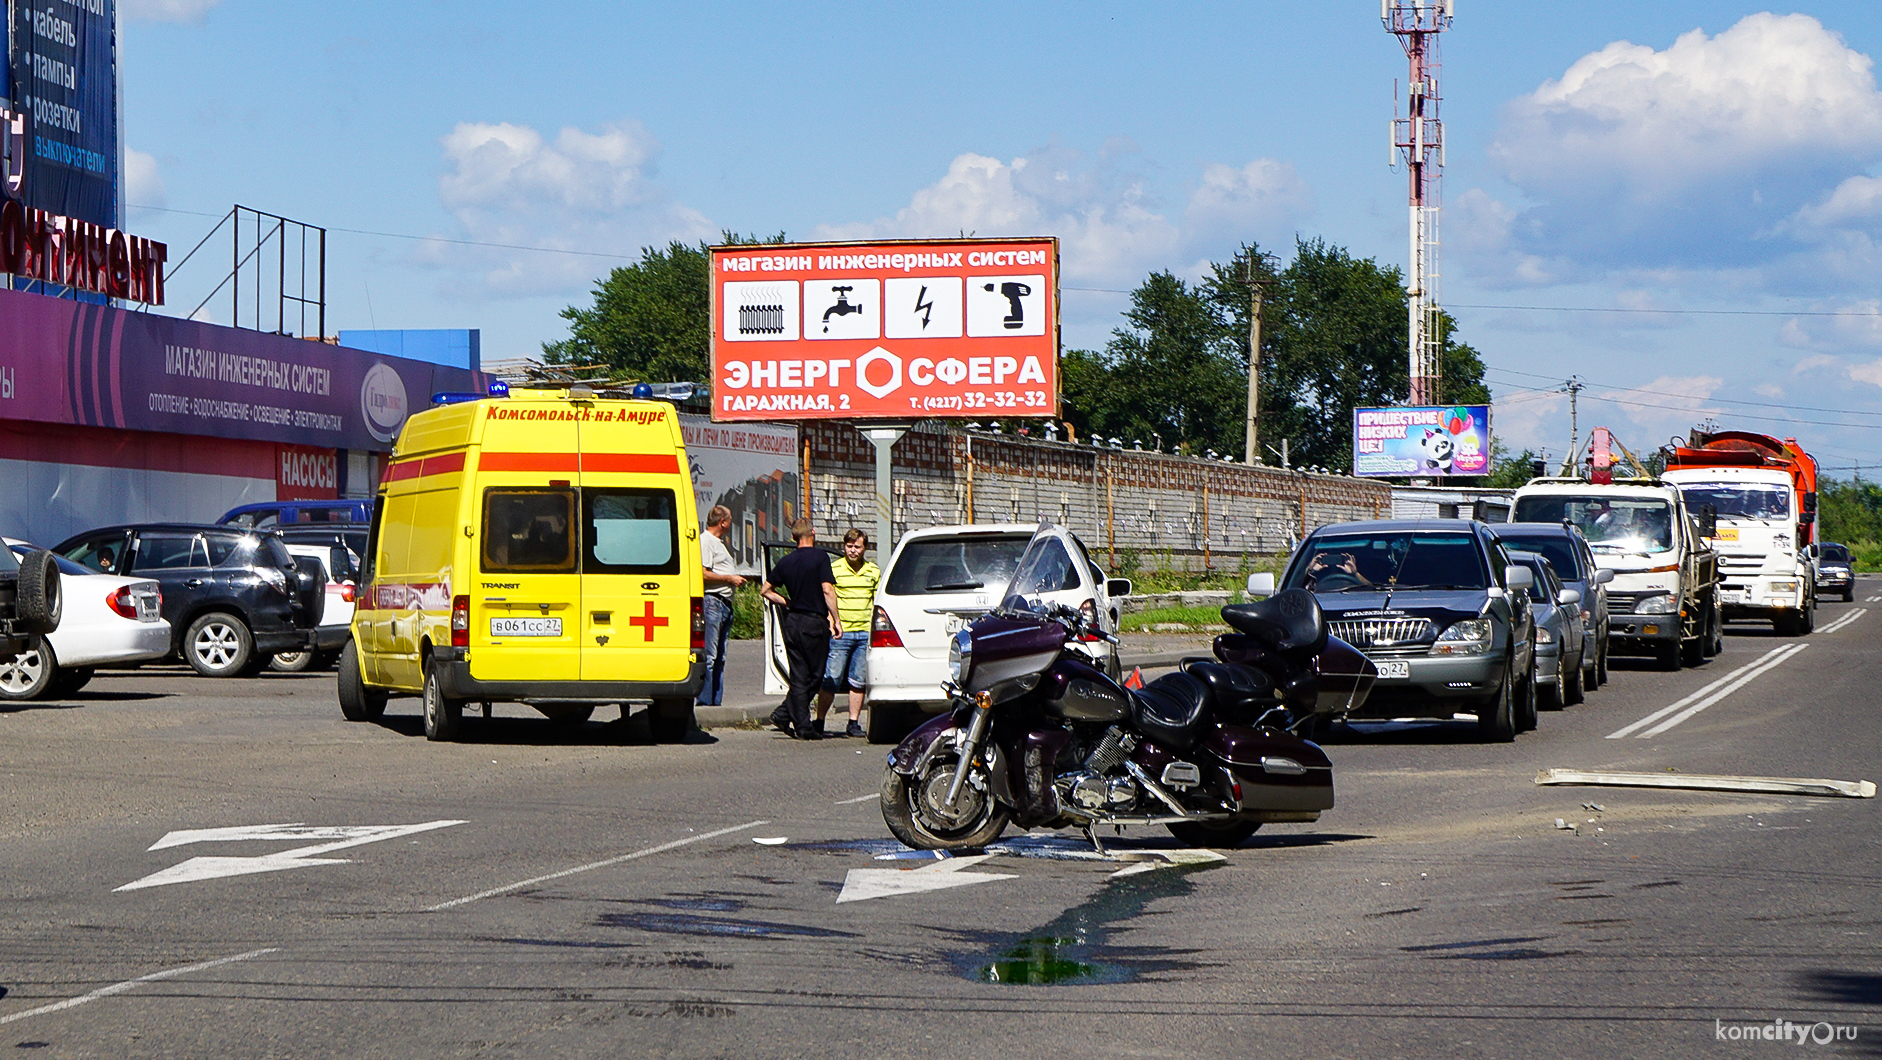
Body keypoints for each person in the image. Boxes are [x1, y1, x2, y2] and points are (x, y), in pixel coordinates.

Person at [762, 519, 840, 740]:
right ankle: (798, 722)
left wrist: (788, 603)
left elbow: (766, 590)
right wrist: (836, 619)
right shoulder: (820, 557)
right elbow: (827, 590)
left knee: (799, 675)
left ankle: (786, 714)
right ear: (812, 533)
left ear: (794, 537)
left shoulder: (786, 562)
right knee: (815, 677)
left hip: (793, 622)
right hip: (813, 623)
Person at [815, 529, 880, 737]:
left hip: (863, 632)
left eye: (857, 547)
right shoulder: (834, 569)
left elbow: (877, 601)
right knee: (831, 678)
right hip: (841, 633)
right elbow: (825, 596)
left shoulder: (873, 571)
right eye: (849, 546)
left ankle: (853, 722)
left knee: (858, 681)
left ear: (865, 548)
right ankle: (819, 720)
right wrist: (830, 620)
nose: (853, 551)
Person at [697, 505, 744, 708]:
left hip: (724, 603)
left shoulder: (718, 542)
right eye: (730, 519)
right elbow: (703, 573)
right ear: (722, 522)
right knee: (710, 656)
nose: (731, 522)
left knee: (720, 658)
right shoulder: (706, 541)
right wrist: (729, 578)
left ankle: (716, 701)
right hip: (713, 601)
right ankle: (705, 702)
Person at [1305, 550, 1372, 588]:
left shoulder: (1356, 578)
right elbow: (1299, 589)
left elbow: (1372, 590)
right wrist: (1310, 569)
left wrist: (1355, 574)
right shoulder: (1313, 579)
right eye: (1329, 558)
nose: (1335, 562)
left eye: (1340, 559)